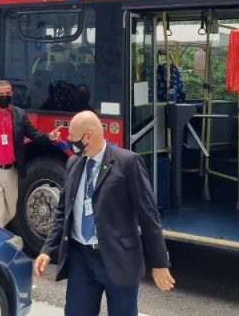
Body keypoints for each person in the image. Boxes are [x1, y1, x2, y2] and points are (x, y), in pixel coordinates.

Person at [34, 111, 175, 316]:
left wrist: (159, 262)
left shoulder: (127, 163)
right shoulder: (74, 162)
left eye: (72, 136)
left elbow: (148, 215)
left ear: (88, 136)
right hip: (81, 258)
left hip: (118, 259)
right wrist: (47, 249)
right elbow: (64, 210)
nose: (69, 140)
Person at [0, 80, 61, 227]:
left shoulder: (19, 114)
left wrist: (49, 137)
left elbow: (34, 134)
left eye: (8, 93)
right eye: (1, 94)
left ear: (12, 94)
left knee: (11, 211)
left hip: (11, 170)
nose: (4, 96)